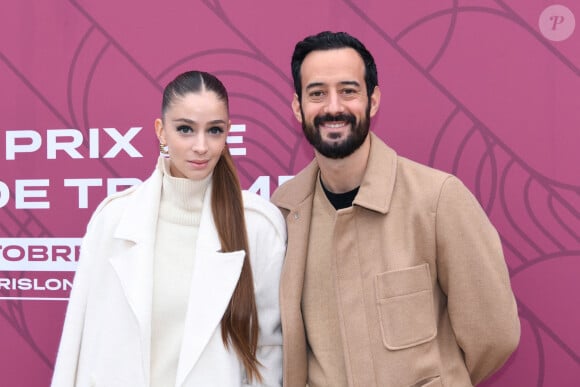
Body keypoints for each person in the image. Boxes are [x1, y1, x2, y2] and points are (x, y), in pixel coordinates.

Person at [271, 31, 520, 387]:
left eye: (348, 90)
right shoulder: (285, 210)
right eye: (317, 93)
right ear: (298, 107)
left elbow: (495, 335)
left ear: (372, 101)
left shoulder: (437, 199)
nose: (333, 107)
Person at [52, 70, 286, 386]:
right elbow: (80, 346)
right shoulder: (114, 219)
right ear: (162, 131)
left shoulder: (258, 226)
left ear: (228, 132)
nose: (201, 146)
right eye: (186, 129)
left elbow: (269, 351)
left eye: (214, 130)